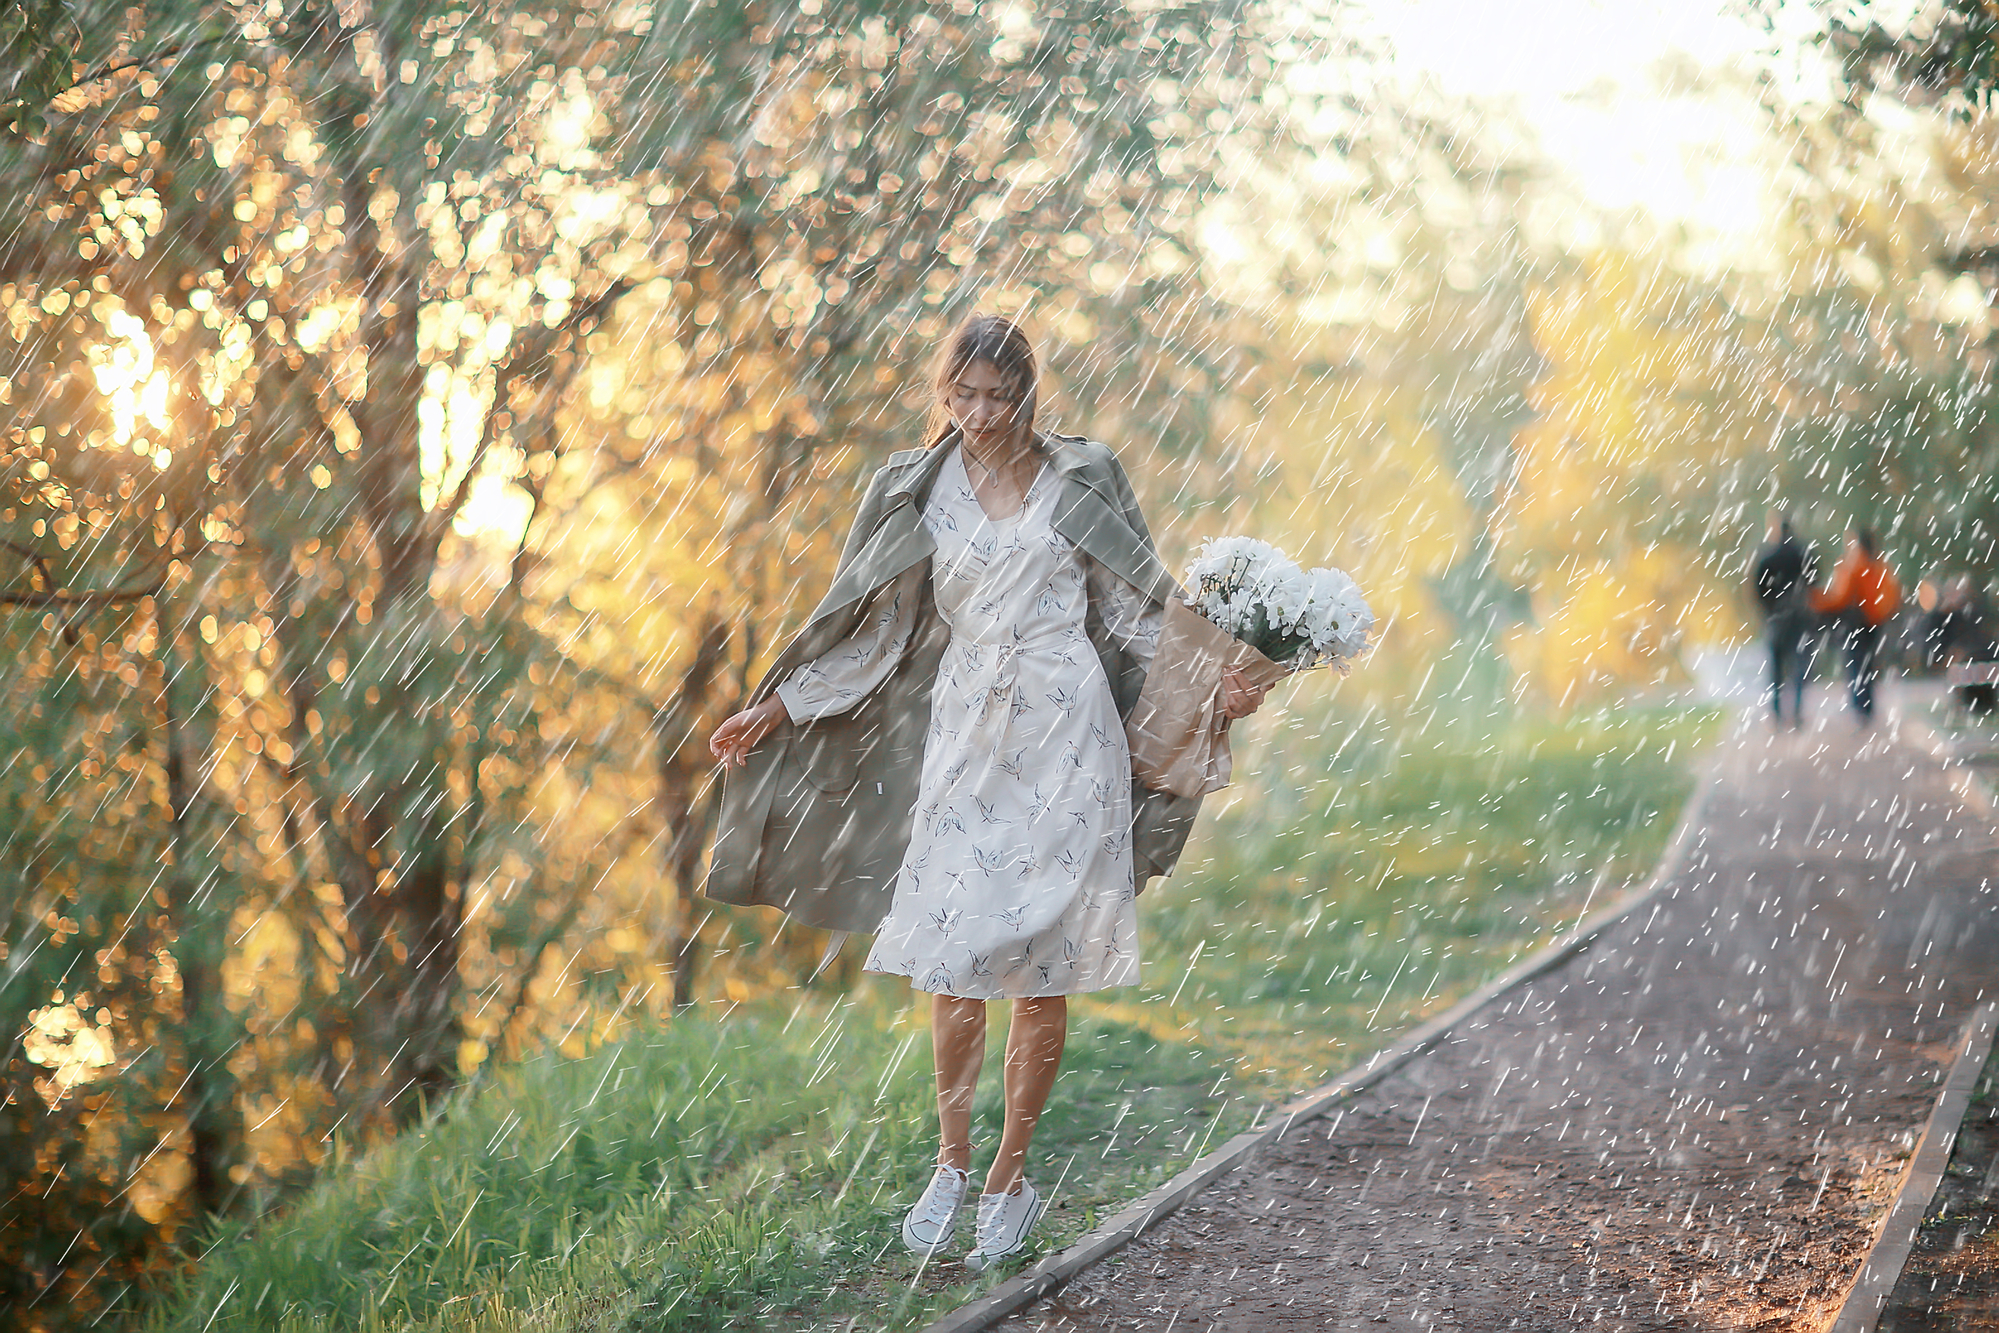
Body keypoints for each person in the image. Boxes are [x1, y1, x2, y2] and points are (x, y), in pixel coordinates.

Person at [703, 314, 1271, 1271]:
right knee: (951, 960)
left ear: (1027, 396)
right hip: (966, 732)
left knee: (1039, 965)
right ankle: (951, 1162)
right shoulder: (912, 490)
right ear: (943, 393)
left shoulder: (1079, 481)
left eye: (994, 397)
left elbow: (1134, 616)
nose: (975, 414)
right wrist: (779, 707)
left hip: (1065, 730)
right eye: (959, 395)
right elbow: (874, 635)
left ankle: (1009, 1173)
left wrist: (1215, 684)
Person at [1810, 526, 1902, 723]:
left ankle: (1859, 708)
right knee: (1867, 664)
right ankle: (1867, 707)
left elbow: (1840, 597)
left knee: (1854, 663)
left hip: (1855, 623)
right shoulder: (1881, 565)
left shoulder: (1853, 564)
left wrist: (1817, 599)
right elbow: (1892, 594)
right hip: (1874, 621)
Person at [1751, 510, 1817, 728]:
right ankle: (1797, 711)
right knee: (1800, 665)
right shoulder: (1803, 554)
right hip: (1799, 616)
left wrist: (1769, 609)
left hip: (1777, 618)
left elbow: (1758, 589)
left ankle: (1777, 714)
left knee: (1776, 668)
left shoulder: (1767, 556)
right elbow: (1815, 582)